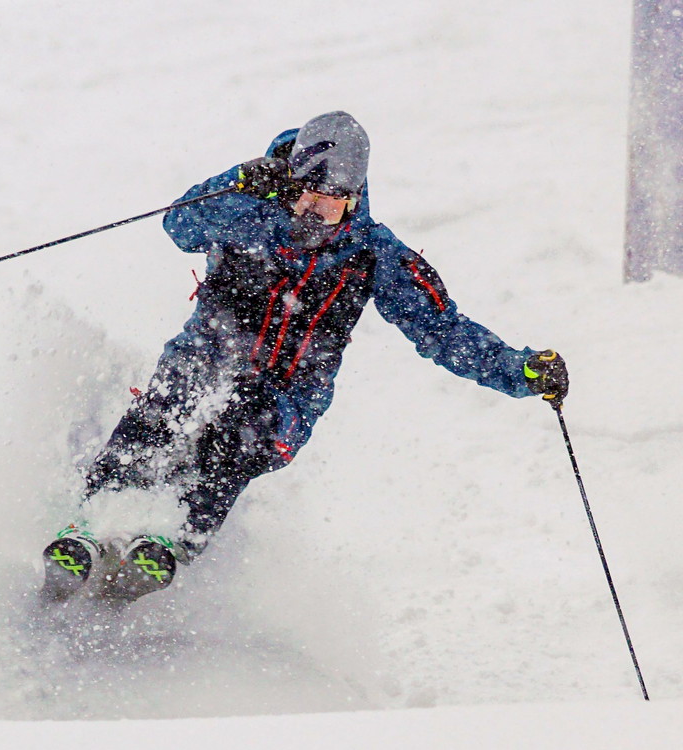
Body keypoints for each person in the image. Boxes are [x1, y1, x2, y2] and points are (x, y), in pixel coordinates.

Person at [42, 110, 568, 604]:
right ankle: (91, 523)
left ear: (355, 198)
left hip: (285, 402)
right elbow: (179, 227)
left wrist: (518, 371)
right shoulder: (250, 211)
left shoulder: (371, 252)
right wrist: (241, 182)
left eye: (334, 200)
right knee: (174, 398)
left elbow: (441, 328)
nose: (318, 210)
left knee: (239, 420)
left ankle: (171, 537)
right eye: (309, 194)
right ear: (290, 184)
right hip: (203, 361)